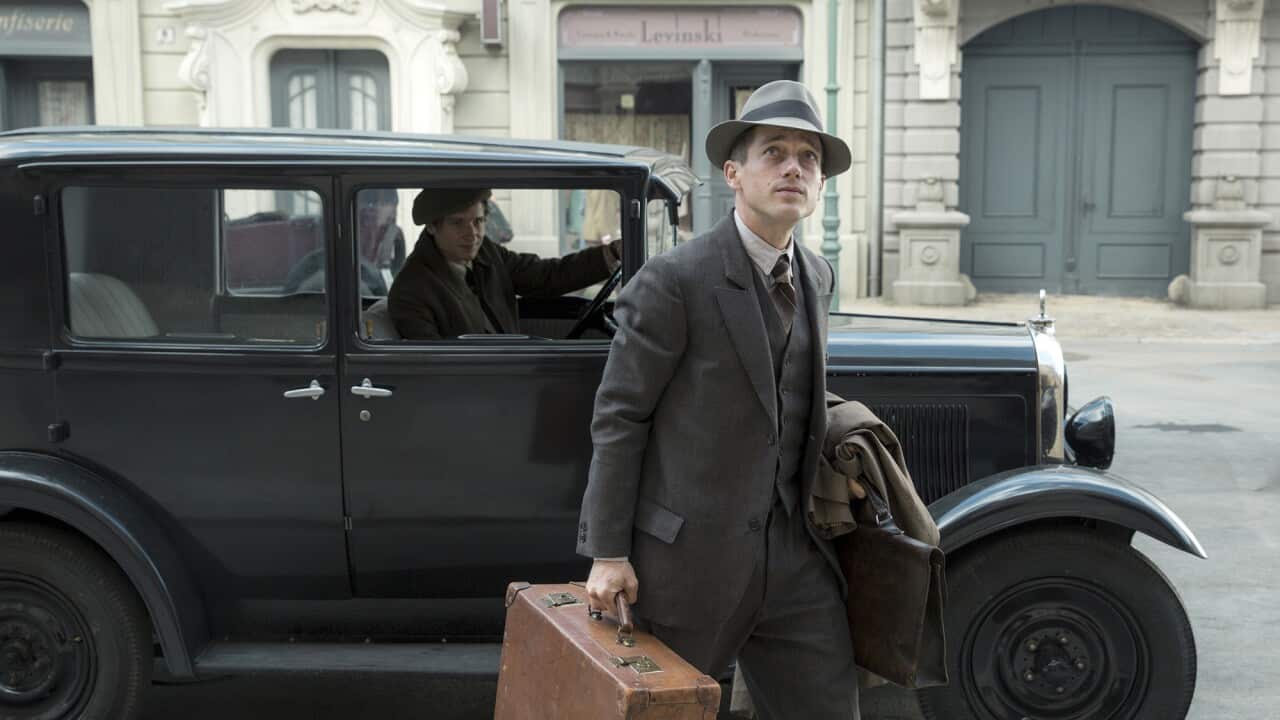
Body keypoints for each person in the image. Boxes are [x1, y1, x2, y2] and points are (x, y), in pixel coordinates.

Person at [576, 81, 860, 718]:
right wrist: (609, 552)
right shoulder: (675, 279)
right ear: (733, 173)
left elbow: (781, 390)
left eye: (809, 158)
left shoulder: (816, 273)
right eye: (775, 152)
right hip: (688, 563)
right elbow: (620, 416)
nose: (794, 167)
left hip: (795, 556)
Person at [387, 188, 620, 339]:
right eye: (458, 223)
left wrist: (610, 254)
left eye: (478, 221)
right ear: (432, 227)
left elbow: (545, 275)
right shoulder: (412, 289)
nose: (472, 234)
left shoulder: (486, 253)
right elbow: (432, 367)